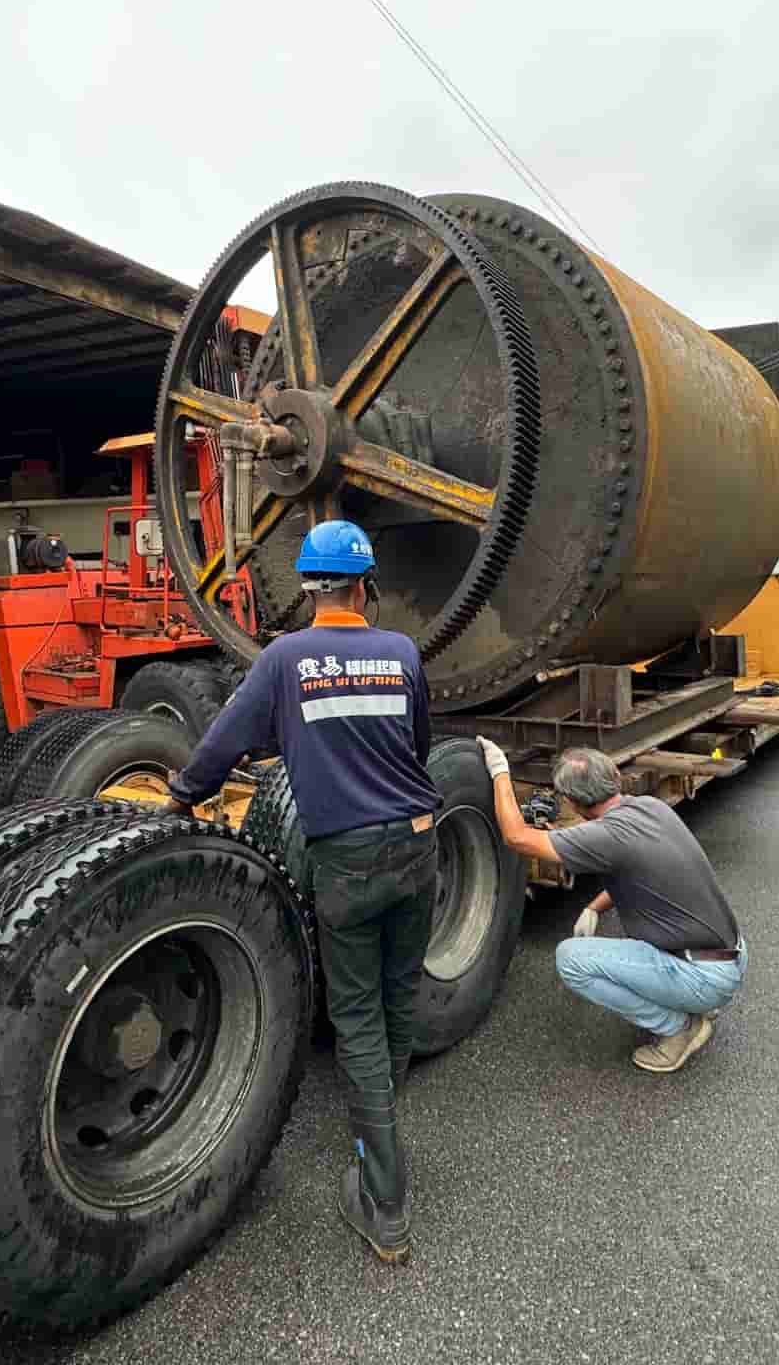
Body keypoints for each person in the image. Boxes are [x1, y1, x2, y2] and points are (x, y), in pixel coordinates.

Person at [166, 519, 438, 1265]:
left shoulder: (286, 658)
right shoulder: (402, 652)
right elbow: (417, 748)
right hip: (419, 843)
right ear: (364, 586)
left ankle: (385, 1204)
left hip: (347, 858)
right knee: (397, 996)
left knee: (353, 1018)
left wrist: (183, 795)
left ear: (311, 588)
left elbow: (224, 742)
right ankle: (382, 1118)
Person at [476, 742, 746, 1074]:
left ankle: (678, 1028)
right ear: (615, 776)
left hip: (705, 976)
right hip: (726, 955)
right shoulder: (649, 807)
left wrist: (500, 770)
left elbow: (517, 837)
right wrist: (594, 906)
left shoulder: (606, 836)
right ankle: (693, 1002)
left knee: (571, 960)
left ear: (572, 802)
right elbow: (642, 872)